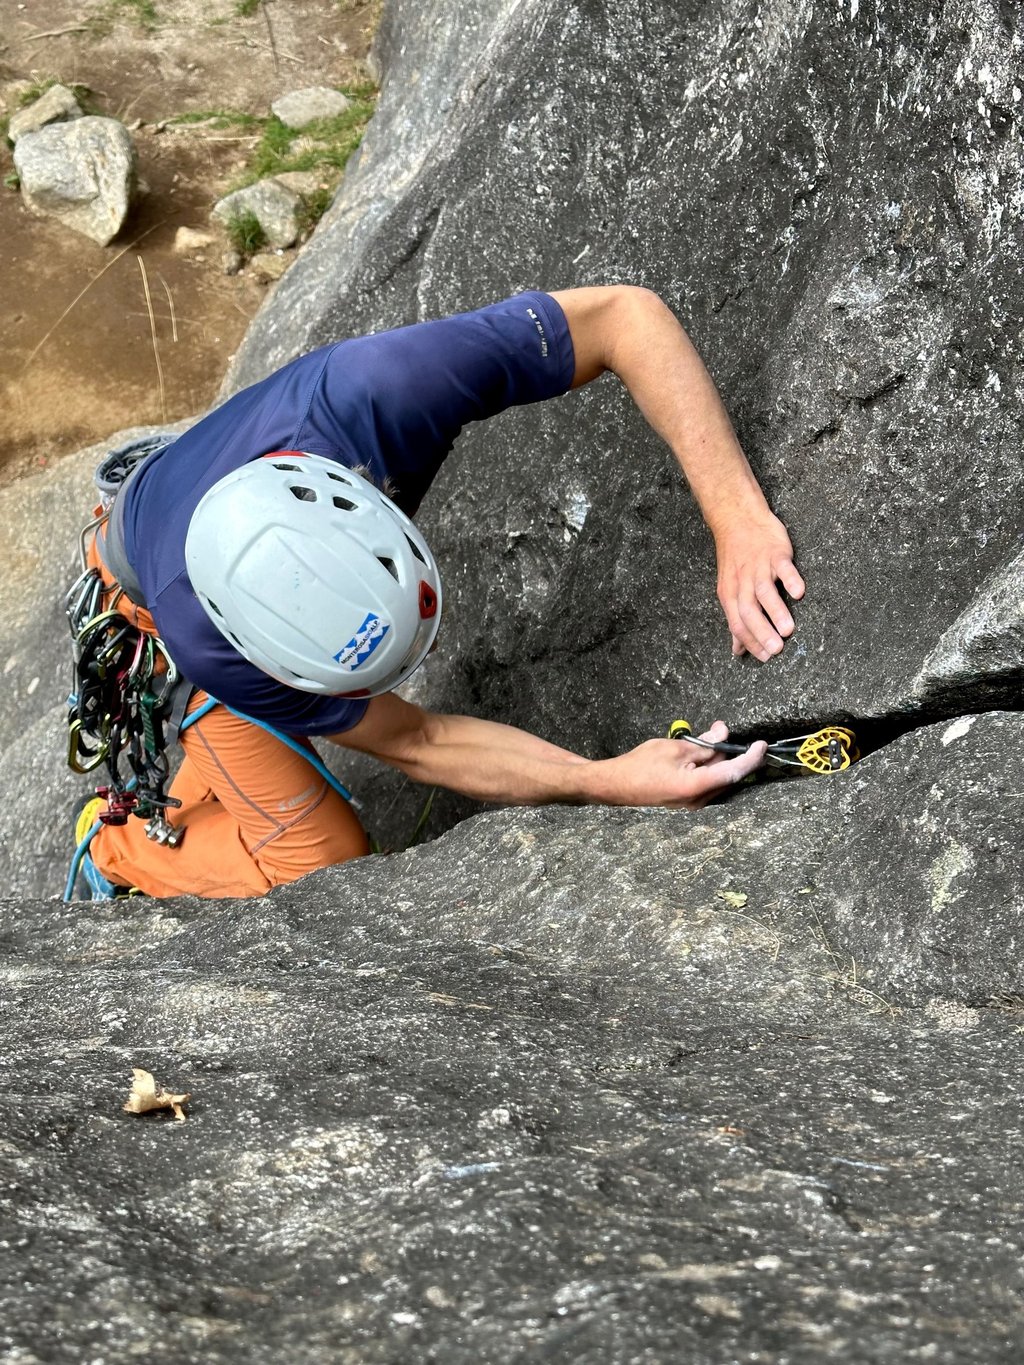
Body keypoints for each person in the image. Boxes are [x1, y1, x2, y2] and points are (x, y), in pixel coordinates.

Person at [76, 285, 805, 899]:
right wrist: (607, 779)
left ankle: (221, 776)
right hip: (159, 606)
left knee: (270, 755)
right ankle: (117, 849)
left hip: (198, 517)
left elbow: (625, 317)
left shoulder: (377, 394)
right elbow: (415, 740)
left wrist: (737, 518)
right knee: (319, 864)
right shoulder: (206, 637)